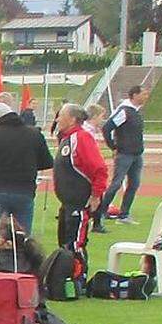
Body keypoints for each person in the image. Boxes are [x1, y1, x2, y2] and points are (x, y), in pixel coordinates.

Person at [0, 102, 53, 234]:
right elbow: (47, 162)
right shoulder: (34, 134)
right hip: (24, 191)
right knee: (22, 237)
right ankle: (21, 253)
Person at [54, 104, 108, 281]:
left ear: (72, 119)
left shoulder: (82, 138)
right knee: (64, 243)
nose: (57, 119)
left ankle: (78, 279)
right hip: (67, 203)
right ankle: (64, 277)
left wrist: (95, 195)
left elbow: (99, 168)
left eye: (61, 116)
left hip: (79, 201)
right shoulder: (66, 138)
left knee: (75, 243)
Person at [94, 85, 150, 233]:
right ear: (134, 95)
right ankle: (100, 212)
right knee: (116, 183)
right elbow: (107, 128)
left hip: (137, 154)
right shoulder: (124, 112)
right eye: (143, 94)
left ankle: (124, 214)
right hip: (125, 154)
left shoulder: (136, 112)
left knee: (134, 184)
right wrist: (113, 147)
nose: (146, 97)